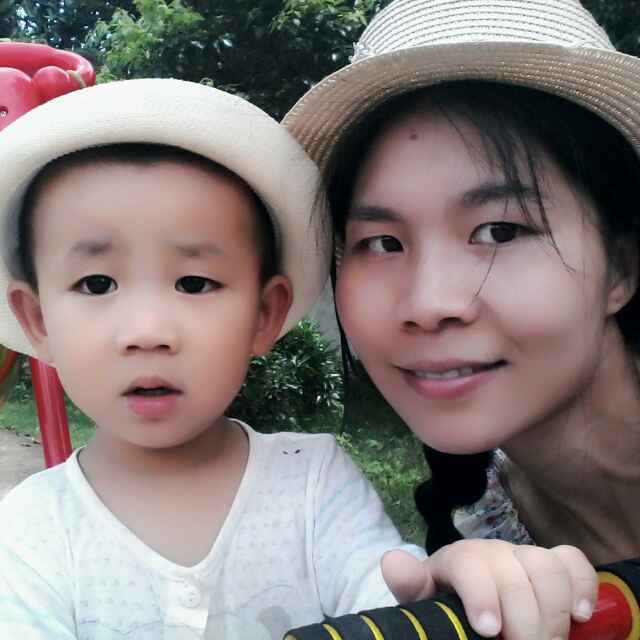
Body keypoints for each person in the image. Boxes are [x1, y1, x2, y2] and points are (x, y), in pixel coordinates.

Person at [0, 77, 595, 640]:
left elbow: (386, 597)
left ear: (265, 315)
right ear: (37, 320)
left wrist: (448, 587)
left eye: (195, 283)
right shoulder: (30, 531)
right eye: (97, 284)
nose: (147, 333)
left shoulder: (312, 483)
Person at [284, 0, 640, 620]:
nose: (428, 304)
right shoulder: (473, 524)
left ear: (622, 267)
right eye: (382, 243)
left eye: (499, 231)